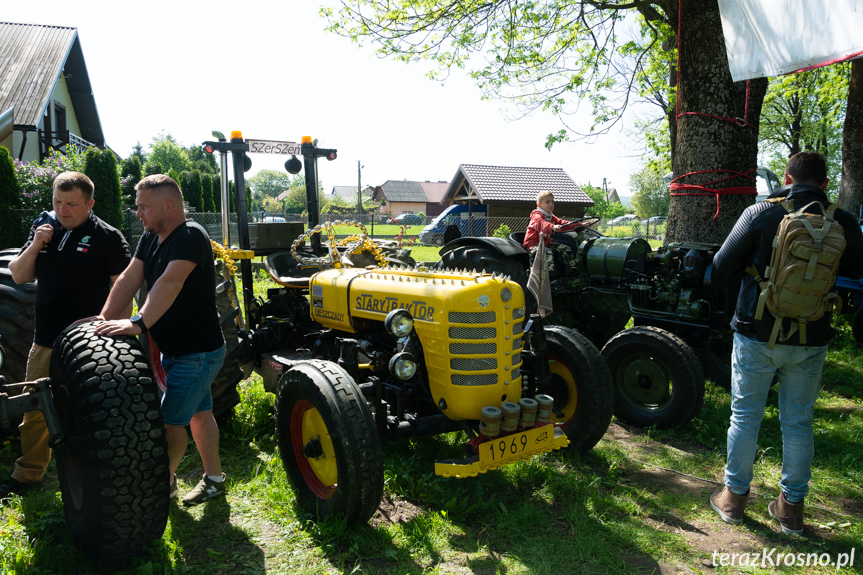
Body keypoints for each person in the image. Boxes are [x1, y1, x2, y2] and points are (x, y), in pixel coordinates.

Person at [709, 151, 863, 535]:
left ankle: (734, 500)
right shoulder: (842, 221)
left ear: (788, 178)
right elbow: (859, 270)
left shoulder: (761, 212)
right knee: (798, 423)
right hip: (812, 336)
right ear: (826, 184)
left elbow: (721, 264)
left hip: (757, 331)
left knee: (745, 417)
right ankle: (791, 509)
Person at [93, 174, 227, 506]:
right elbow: (129, 277)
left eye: (142, 207)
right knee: (199, 414)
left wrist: (138, 322)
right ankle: (213, 480)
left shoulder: (191, 236)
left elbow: (170, 282)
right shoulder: (151, 238)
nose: (137, 213)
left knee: (170, 423)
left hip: (197, 353)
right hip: (177, 351)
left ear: (167, 206)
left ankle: (159, 485)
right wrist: (103, 319)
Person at [1, 172, 131, 498]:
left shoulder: (108, 237)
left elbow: (125, 289)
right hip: (45, 339)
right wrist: (36, 244)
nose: (63, 210)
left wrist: (114, 330)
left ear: (90, 203)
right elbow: (18, 274)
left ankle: (97, 478)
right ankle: (28, 474)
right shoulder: (43, 228)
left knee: (91, 410)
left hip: (90, 344)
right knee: (34, 412)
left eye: (71, 204)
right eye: (57, 202)